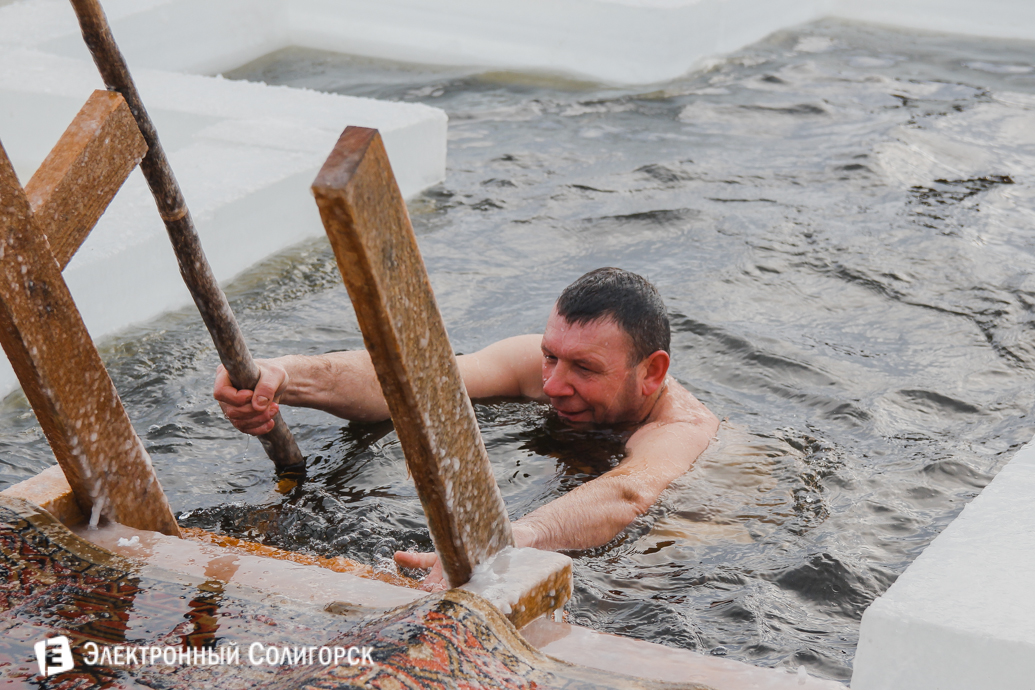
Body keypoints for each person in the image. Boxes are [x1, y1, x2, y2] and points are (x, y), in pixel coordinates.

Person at [214, 267, 719, 589]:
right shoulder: (546, 368)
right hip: (568, 491)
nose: (554, 383)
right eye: (549, 356)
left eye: (584, 369)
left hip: (698, 527)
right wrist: (283, 377)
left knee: (637, 577)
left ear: (652, 372)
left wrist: (509, 538)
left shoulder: (682, 427)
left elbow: (630, 493)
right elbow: (416, 381)